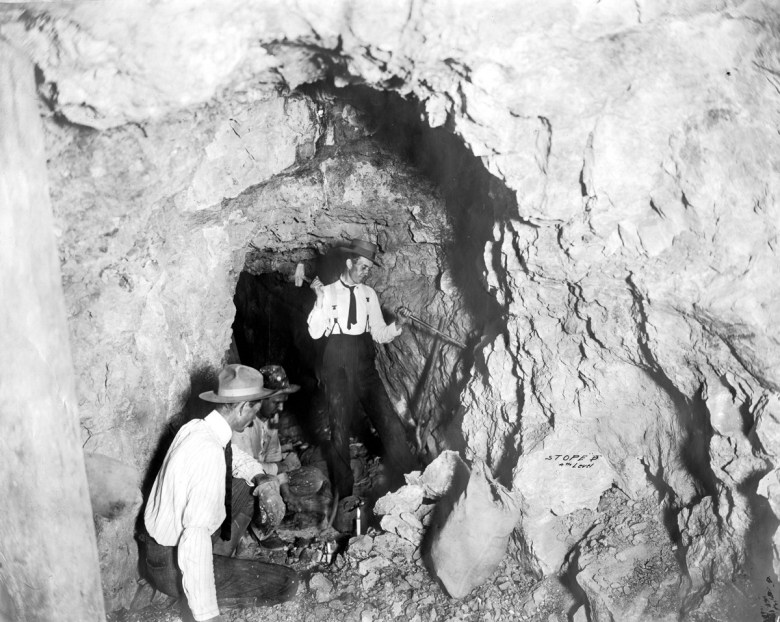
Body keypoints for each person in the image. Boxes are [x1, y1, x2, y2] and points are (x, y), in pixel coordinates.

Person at [142, 364, 281, 622]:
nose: (256, 416)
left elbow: (235, 457)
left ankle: (217, 564)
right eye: (255, 408)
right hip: (171, 564)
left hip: (160, 551)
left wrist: (261, 477)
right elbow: (194, 538)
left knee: (249, 487)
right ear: (242, 408)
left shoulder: (199, 428)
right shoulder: (208, 453)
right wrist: (207, 615)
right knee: (285, 583)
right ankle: (201, 590)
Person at [307, 237, 418, 500]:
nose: (366, 272)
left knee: (389, 420)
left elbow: (379, 334)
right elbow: (315, 332)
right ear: (349, 262)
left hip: (364, 360)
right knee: (339, 429)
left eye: (369, 268)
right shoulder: (329, 291)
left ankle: (412, 484)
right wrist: (319, 299)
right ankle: (344, 497)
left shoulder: (369, 295)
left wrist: (398, 324)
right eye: (363, 266)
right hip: (336, 360)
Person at [231, 364, 328, 546]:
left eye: (283, 402)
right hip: (246, 484)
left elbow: (273, 458)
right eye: (276, 402)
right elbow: (246, 469)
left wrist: (288, 493)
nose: (281, 408)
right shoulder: (243, 423)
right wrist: (281, 468)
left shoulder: (271, 420)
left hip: (268, 477)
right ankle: (257, 532)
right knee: (270, 481)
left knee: (313, 477)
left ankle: (278, 511)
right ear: (261, 399)